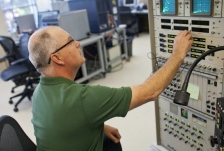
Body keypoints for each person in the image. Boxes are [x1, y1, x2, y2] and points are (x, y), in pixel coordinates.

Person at [28, 26, 193, 151]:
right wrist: (178, 54)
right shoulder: (81, 98)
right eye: (70, 41)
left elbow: (60, 127)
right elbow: (149, 92)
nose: (77, 43)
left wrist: (98, 127)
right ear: (57, 58)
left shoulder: (39, 91)